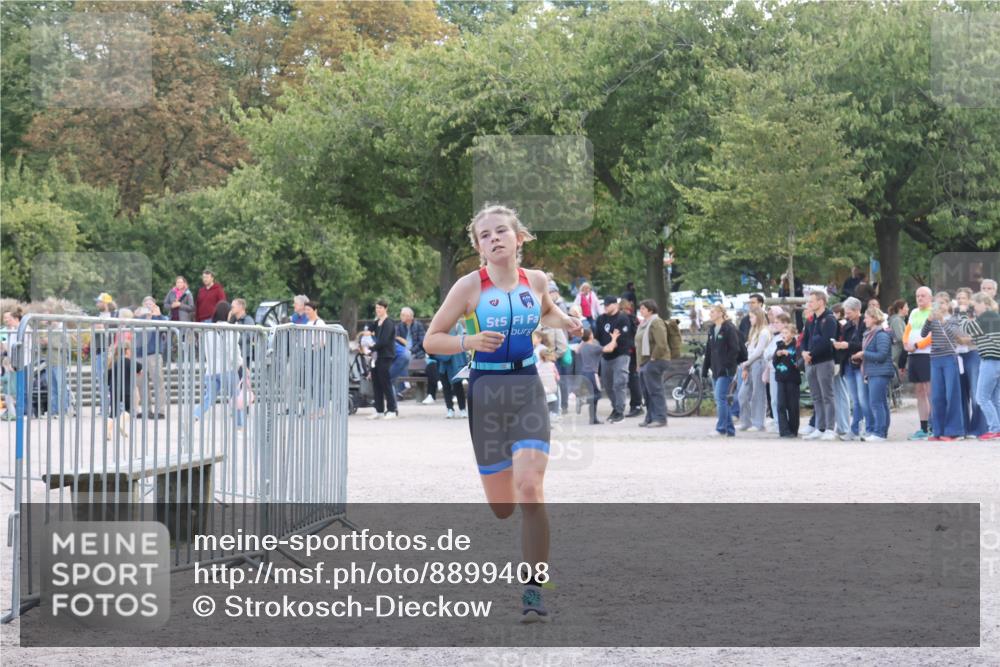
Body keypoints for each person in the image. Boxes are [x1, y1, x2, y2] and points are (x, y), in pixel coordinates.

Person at [422, 203, 582, 622]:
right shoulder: (468, 288)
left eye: (501, 232)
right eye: (485, 235)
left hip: (528, 386)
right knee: (503, 507)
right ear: (478, 247)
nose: (494, 238)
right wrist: (468, 344)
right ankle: (505, 484)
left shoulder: (537, 280)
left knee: (531, 488)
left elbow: (543, 310)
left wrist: (567, 321)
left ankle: (533, 588)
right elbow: (431, 340)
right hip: (486, 392)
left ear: (519, 238)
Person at [193, 301, 245, 428]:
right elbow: (233, 350)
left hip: (211, 370)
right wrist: (240, 364)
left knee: (208, 397)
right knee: (236, 396)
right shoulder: (231, 329)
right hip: (227, 369)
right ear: (227, 313)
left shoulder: (208, 330)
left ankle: (195, 416)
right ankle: (239, 424)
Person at [956, 292, 1000, 439]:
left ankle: (994, 429)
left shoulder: (986, 316)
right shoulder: (994, 317)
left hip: (990, 360)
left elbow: (966, 328)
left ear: (984, 304)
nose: (973, 308)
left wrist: (962, 312)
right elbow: (978, 336)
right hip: (996, 360)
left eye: (975, 305)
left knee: (982, 397)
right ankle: (997, 429)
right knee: (994, 399)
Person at [921, 299, 965, 441]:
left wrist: (943, 321)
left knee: (951, 394)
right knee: (936, 396)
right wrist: (928, 320)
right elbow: (923, 334)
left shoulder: (953, 319)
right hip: (935, 358)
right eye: (938, 304)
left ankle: (953, 431)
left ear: (948, 305)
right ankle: (938, 430)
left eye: (943, 303)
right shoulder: (933, 320)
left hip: (949, 358)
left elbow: (954, 335)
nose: (940, 306)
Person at [801, 289, 839, 440]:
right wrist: (804, 352)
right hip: (810, 362)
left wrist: (811, 354)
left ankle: (830, 428)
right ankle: (820, 426)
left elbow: (826, 341)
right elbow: (804, 338)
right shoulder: (811, 320)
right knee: (816, 396)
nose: (809, 303)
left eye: (811, 301)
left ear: (821, 302)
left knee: (827, 396)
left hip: (824, 361)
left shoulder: (829, 319)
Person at [953, 288, 987, 438]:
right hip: (957, 355)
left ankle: (978, 428)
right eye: (958, 298)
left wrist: (965, 340)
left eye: (964, 298)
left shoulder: (976, 316)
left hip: (973, 354)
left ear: (970, 300)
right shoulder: (954, 316)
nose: (961, 300)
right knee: (961, 393)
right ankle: (963, 428)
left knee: (975, 392)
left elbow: (980, 335)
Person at [833, 297, 869, 440]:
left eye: (849, 312)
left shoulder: (865, 325)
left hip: (860, 365)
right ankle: (854, 429)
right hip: (847, 364)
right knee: (855, 399)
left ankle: (866, 427)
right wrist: (839, 345)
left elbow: (864, 344)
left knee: (862, 398)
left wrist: (847, 345)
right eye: (845, 312)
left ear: (857, 310)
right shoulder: (847, 326)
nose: (846, 315)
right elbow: (846, 343)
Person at [703, 304, 740, 437]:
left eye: (713, 312)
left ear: (720, 313)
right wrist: (705, 368)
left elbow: (735, 349)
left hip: (726, 370)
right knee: (720, 399)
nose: (710, 314)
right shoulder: (712, 329)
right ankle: (729, 429)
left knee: (720, 398)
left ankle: (721, 428)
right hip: (715, 369)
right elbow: (709, 351)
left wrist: (727, 365)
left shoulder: (729, 328)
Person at [594, 296, 633, 423]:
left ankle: (620, 411)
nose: (605, 307)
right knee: (608, 385)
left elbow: (623, 339)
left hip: (621, 354)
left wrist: (611, 345)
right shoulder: (601, 319)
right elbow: (597, 337)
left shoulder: (622, 318)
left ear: (615, 305)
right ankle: (615, 408)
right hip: (605, 356)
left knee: (619, 383)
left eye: (607, 305)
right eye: (604, 305)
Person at [857, 306, 894, 441]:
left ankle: (879, 433)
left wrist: (864, 354)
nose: (864, 320)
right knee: (880, 403)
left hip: (880, 372)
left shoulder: (881, 335)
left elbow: (882, 355)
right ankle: (881, 431)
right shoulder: (870, 334)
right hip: (873, 371)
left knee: (877, 403)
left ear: (873, 318)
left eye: (866, 317)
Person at [904, 286, 934, 439]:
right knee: (919, 392)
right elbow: (907, 330)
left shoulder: (933, 313)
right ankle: (923, 427)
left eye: (923, 296)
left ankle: (933, 426)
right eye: (917, 296)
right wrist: (905, 344)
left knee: (929, 391)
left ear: (930, 298)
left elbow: (932, 335)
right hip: (913, 355)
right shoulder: (914, 312)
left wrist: (917, 345)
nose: (920, 298)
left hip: (926, 354)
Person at [736, 305, 771, 432]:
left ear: (758, 317)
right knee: (742, 395)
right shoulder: (753, 331)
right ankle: (746, 422)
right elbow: (750, 350)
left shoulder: (764, 332)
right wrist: (746, 364)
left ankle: (758, 423)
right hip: (750, 364)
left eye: (752, 317)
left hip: (759, 363)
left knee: (758, 394)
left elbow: (758, 351)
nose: (750, 319)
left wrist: (746, 362)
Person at [635, 299, 669, 428]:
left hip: (656, 360)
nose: (641, 310)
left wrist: (653, 358)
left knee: (655, 390)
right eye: (641, 308)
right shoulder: (643, 323)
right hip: (644, 361)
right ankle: (650, 417)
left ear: (650, 310)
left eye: (643, 308)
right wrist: (639, 363)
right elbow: (638, 345)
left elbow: (661, 343)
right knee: (646, 391)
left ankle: (660, 418)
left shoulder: (656, 322)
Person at [134, 299, 168, 419]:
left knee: (158, 383)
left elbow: (166, 328)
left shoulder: (160, 317)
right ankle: (146, 410)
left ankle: (160, 411)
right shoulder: (139, 317)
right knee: (141, 384)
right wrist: (136, 315)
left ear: (155, 305)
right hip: (139, 354)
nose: (148, 306)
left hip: (154, 353)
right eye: (146, 303)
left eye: (150, 303)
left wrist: (157, 316)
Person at [105, 338, 141, 440]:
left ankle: (108, 431)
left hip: (114, 389)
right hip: (126, 390)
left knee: (113, 412)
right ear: (128, 351)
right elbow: (140, 370)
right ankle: (121, 423)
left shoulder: (112, 363)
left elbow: (107, 379)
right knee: (129, 409)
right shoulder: (131, 362)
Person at [368, 299, 398, 420]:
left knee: (386, 383)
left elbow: (384, 340)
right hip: (376, 357)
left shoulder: (389, 323)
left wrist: (372, 347)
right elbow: (369, 329)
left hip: (386, 356)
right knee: (376, 383)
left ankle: (392, 409)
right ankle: (379, 410)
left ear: (385, 309)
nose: (378, 310)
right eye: (376, 308)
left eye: (380, 308)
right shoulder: (377, 322)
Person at [763, 307, 790, 433]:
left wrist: (771, 355)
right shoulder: (776, 337)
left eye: (777, 322)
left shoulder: (784, 337)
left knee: (780, 398)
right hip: (772, 369)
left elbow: (772, 353)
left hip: (779, 370)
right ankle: (777, 421)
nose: (775, 324)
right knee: (774, 398)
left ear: (785, 323)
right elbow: (766, 353)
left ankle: (782, 422)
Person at [772, 322, 801, 438]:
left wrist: (788, 354)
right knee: (781, 405)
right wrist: (777, 355)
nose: (783, 335)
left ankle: (793, 430)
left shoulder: (796, 346)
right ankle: (784, 430)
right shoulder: (779, 345)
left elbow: (797, 362)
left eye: (786, 332)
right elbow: (775, 362)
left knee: (793, 405)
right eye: (782, 333)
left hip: (792, 379)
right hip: (781, 378)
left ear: (793, 334)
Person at [434, 320, 468, 419]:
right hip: (443, 362)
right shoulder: (439, 327)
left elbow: (459, 342)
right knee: (446, 387)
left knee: (458, 386)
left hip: (455, 362)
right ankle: (449, 409)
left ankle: (462, 409)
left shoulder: (458, 326)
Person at [619, 299, 644, 419]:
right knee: (634, 378)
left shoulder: (625, 318)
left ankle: (637, 405)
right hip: (636, 351)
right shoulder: (635, 318)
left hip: (629, 351)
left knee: (633, 380)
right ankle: (636, 404)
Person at [575, 329, 602, 425]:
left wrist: (583, 340)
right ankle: (583, 401)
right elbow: (608, 349)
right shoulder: (594, 346)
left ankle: (593, 418)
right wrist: (614, 339)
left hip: (584, 373)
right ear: (590, 336)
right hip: (592, 373)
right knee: (597, 395)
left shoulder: (583, 346)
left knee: (593, 394)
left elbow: (576, 350)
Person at [537, 349, 561, 420]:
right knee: (556, 396)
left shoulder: (538, 365)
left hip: (543, 388)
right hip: (553, 388)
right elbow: (557, 377)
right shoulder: (552, 365)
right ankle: (555, 412)